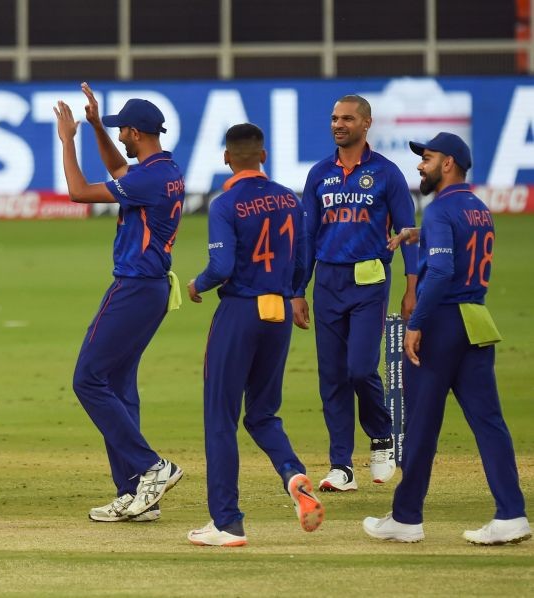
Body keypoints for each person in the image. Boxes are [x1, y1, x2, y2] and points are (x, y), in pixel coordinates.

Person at [364, 133, 530, 545]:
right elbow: (459, 242)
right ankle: (511, 514)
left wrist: (416, 324)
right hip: (475, 320)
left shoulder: (440, 210)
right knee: (489, 423)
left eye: (429, 159)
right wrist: (416, 234)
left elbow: (438, 273)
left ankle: (405, 518)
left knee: (421, 423)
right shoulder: (477, 208)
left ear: (449, 164)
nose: (421, 166)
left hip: (440, 323)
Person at [185, 124, 324, 547]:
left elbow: (221, 267)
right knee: (262, 413)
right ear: (262, 155)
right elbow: (303, 259)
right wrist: (293, 294)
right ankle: (293, 473)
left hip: (240, 312)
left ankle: (227, 522)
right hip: (279, 311)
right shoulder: (289, 199)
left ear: (227, 159)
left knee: (220, 418)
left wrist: (197, 285)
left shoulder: (224, 204)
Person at [53, 82, 184, 523]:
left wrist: (68, 140)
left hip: (134, 287)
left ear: (136, 132)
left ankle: (152, 467)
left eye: (120, 130)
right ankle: (135, 494)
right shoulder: (162, 170)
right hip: (152, 288)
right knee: (119, 386)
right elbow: (120, 171)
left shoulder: (150, 178)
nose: (119, 136)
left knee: (88, 380)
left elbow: (77, 191)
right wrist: (94, 127)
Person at [294, 94, 419, 492]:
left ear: (366, 123)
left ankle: (382, 437)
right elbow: (308, 236)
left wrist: (412, 286)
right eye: (334, 118)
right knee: (331, 376)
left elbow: (408, 234)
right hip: (327, 284)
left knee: (360, 368)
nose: (338, 124)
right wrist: (298, 290)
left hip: (369, 282)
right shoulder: (319, 174)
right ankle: (341, 465)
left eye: (347, 118)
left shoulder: (387, 173)